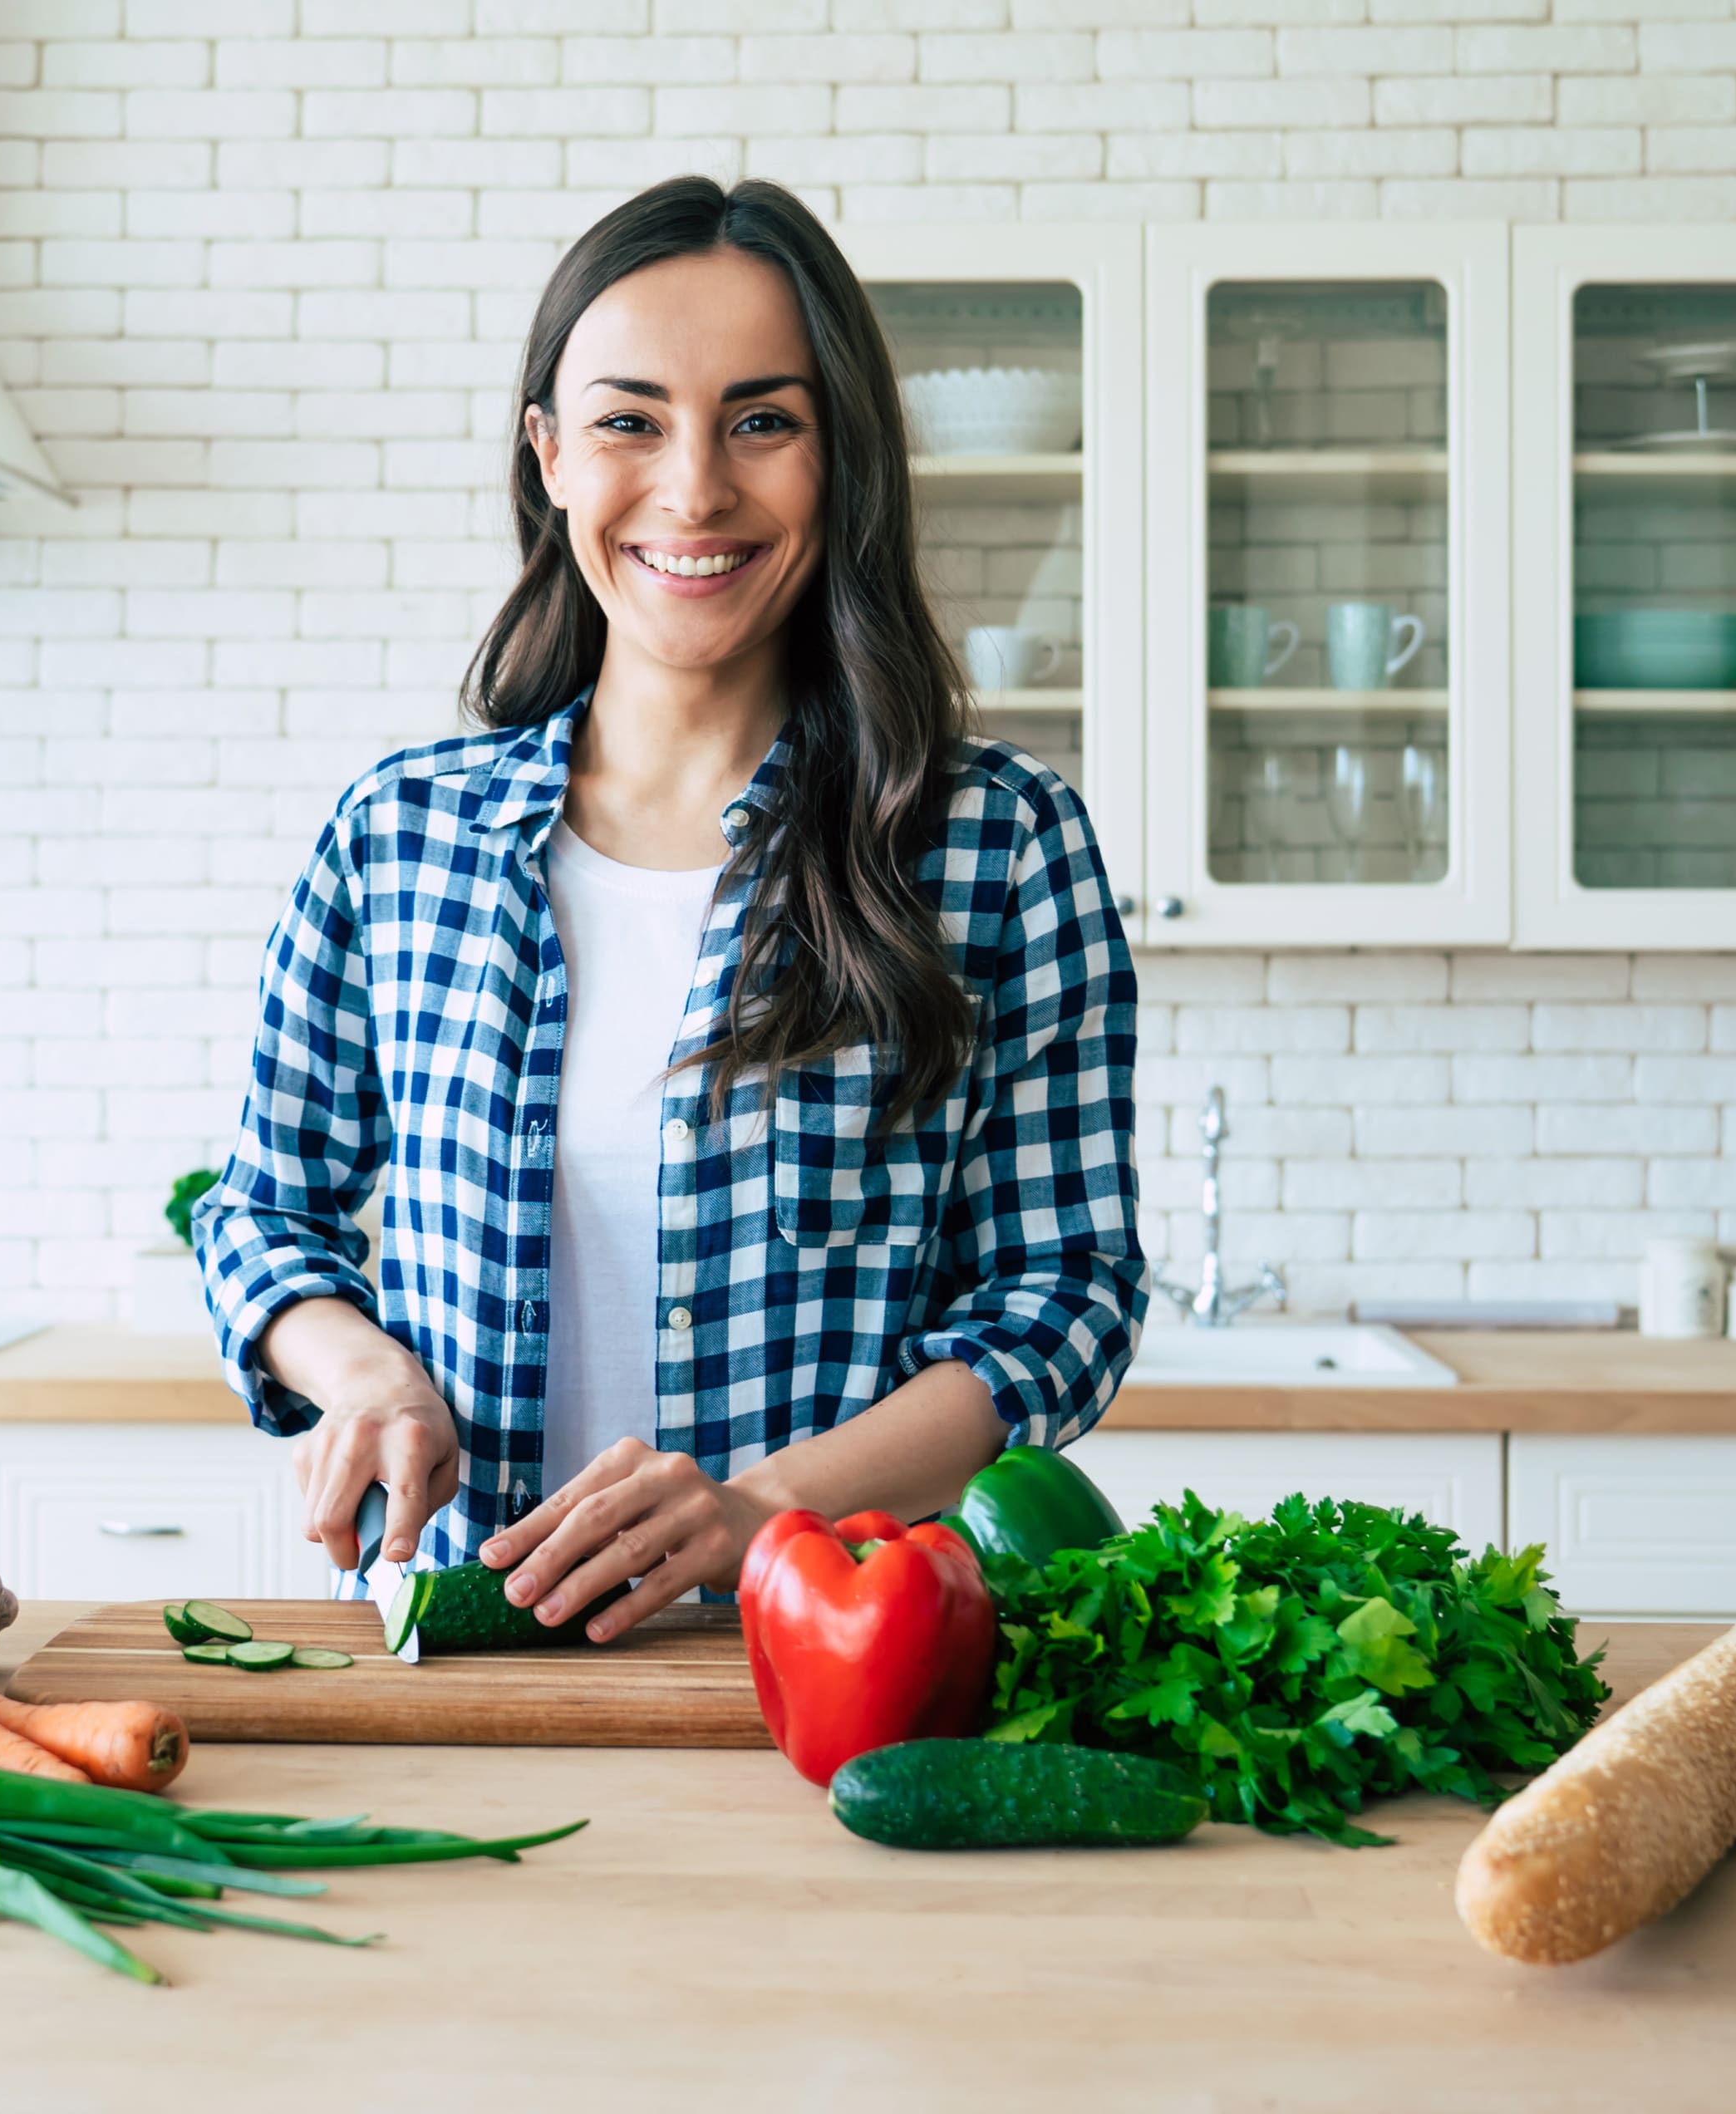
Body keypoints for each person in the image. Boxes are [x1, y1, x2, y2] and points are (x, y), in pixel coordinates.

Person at [193, 175, 1143, 1644]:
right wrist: (371, 1377)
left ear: (841, 461)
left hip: (835, 1652)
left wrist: (759, 1511)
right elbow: (262, 1214)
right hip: (446, 1652)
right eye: (632, 420)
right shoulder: (400, 835)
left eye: (763, 420)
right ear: (552, 455)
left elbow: (1060, 1296)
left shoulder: (993, 844)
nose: (695, 488)